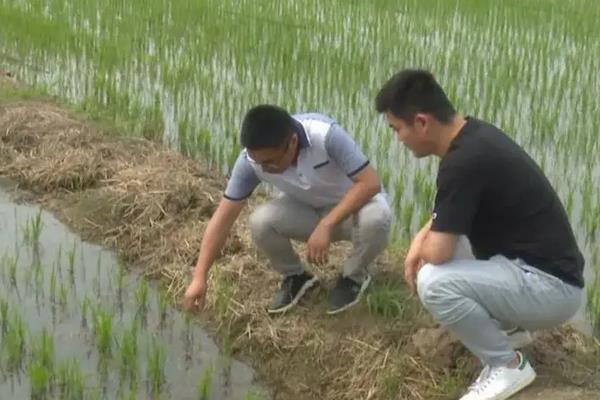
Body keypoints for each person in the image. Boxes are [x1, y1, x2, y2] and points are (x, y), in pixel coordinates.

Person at [375, 69, 584, 400]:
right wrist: (419, 239)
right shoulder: (475, 137)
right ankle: (510, 329)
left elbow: (439, 251)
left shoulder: (462, 162)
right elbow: (447, 217)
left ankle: (507, 365)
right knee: (447, 245)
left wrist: (420, 248)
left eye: (397, 129)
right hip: (546, 274)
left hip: (550, 288)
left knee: (434, 281)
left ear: (422, 122)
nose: (398, 138)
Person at [183, 105, 391, 315]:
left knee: (377, 218)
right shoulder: (250, 161)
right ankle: (297, 277)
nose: (264, 169)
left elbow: (370, 183)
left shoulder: (325, 135)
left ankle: (354, 276)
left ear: (292, 142)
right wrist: (200, 277)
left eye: (270, 161)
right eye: (258, 161)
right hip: (309, 212)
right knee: (260, 222)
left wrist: (327, 224)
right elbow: (222, 220)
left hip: (353, 212)